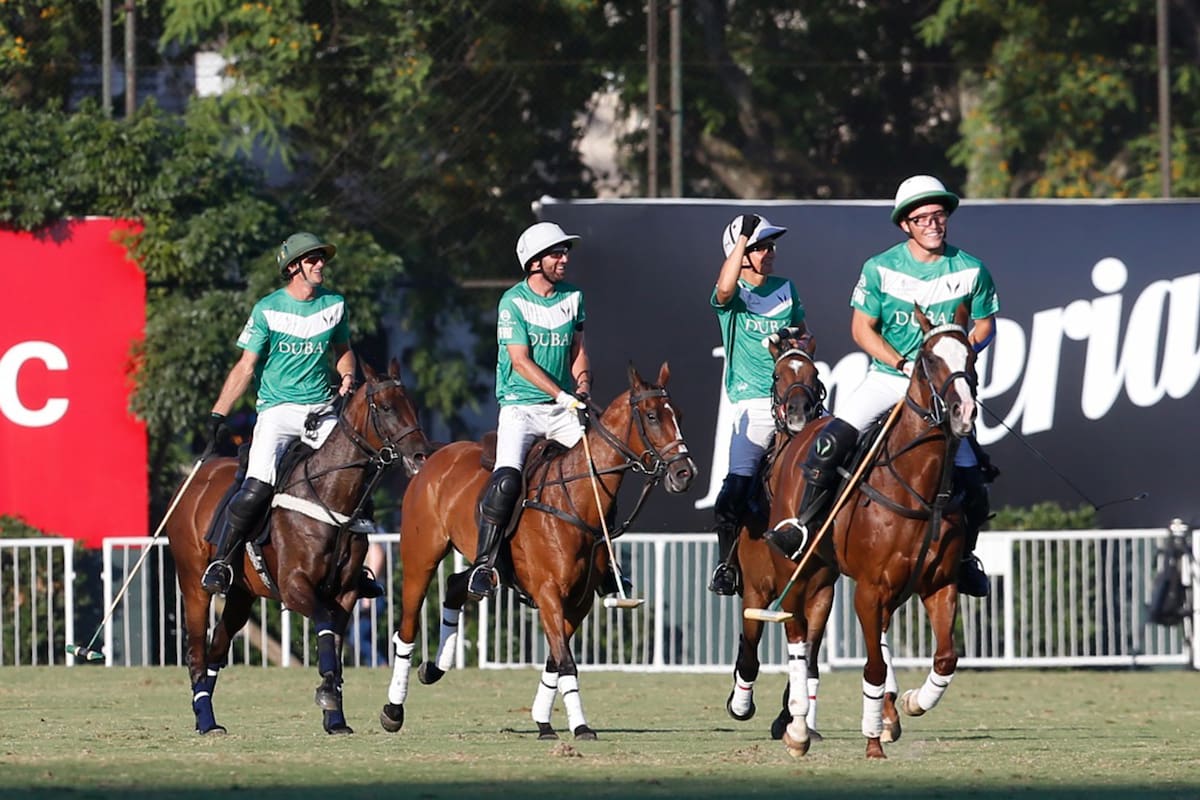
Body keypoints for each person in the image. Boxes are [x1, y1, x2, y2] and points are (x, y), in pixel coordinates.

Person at [768, 175, 998, 597]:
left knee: (972, 478)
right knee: (829, 443)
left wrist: (963, 352)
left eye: (939, 215)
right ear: (905, 224)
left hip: (939, 391)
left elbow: (984, 324)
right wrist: (902, 361)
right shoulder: (880, 268)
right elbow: (862, 328)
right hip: (890, 379)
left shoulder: (971, 269)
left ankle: (964, 560)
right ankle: (803, 528)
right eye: (923, 217)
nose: (934, 223)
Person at [201, 231, 379, 597]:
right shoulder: (267, 309)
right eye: (312, 260)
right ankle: (223, 561)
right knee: (255, 488)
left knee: (357, 471)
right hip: (277, 412)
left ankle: (355, 569)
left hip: (320, 409)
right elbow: (245, 367)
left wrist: (347, 373)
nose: (320, 265)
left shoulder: (335, 304)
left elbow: (343, 349)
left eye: (321, 259)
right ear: (293, 266)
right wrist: (218, 414)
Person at [466, 221, 594, 601]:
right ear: (534, 262)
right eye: (556, 252)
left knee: (599, 467)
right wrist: (562, 394)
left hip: (563, 407)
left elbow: (578, 351)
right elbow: (519, 361)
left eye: (564, 251)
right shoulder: (513, 301)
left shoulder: (574, 297)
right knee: (506, 480)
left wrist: (583, 386)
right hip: (521, 408)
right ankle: (484, 566)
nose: (564, 258)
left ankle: (602, 563)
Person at [708, 213, 811, 596]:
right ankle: (726, 564)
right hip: (752, 403)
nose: (771, 252)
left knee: (835, 459)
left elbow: (804, 331)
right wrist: (741, 240)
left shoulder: (787, 287)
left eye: (771, 245)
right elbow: (722, 289)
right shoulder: (732, 296)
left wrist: (797, 340)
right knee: (736, 486)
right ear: (742, 254)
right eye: (762, 246)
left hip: (793, 398)